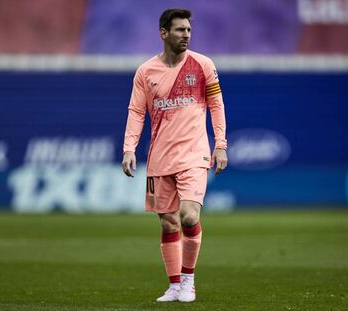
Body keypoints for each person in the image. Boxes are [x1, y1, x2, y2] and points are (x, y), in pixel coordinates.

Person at [122, 8, 227, 303]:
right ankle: (174, 285)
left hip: (195, 154)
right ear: (163, 33)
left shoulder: (203, 65)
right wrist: (129, 148)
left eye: (189, 30)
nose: (186, 35)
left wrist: (221, 143)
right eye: (180, 30)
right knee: (168, 223)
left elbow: (217, 105)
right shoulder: (145, 72)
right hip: (159, 157)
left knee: (189, 215)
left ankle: (189, 281)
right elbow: (136, 112)